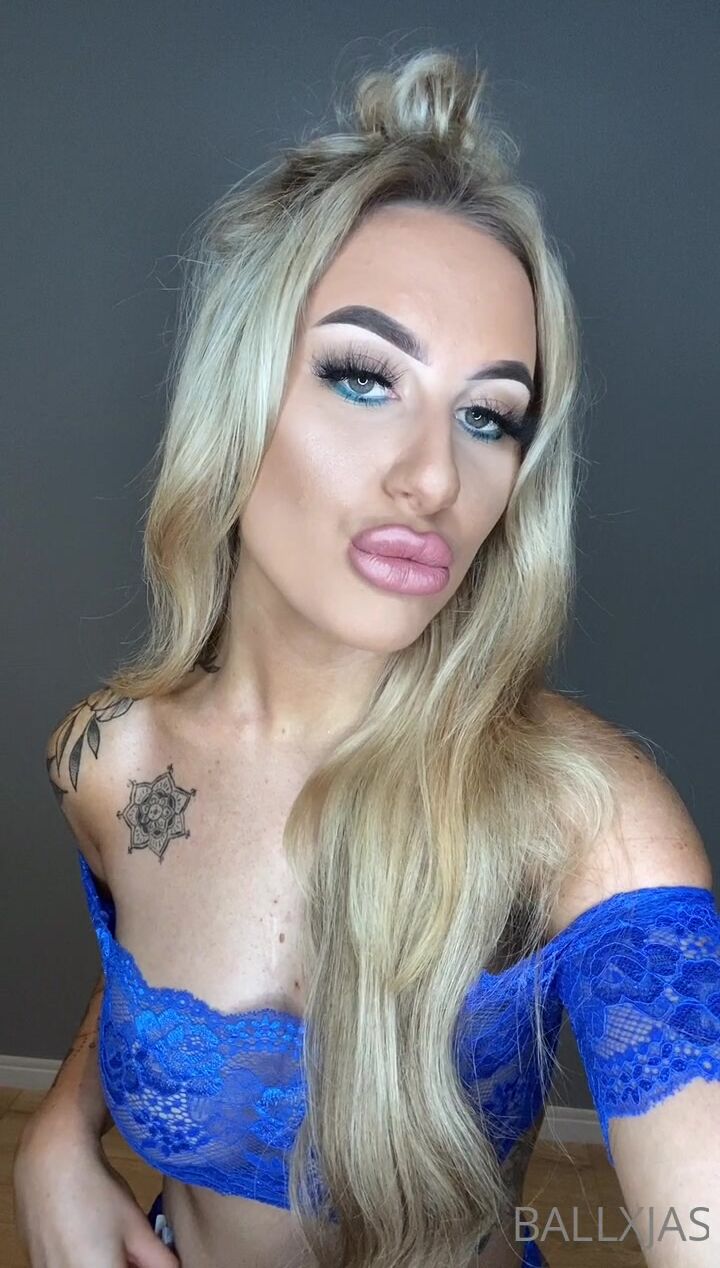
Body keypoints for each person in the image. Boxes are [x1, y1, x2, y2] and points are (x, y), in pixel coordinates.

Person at [13, 46, 720, 1268]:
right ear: (237, 397)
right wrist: (60, 1132)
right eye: (361, 375)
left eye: (489, 414)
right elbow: (139, 952)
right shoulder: (108, 756)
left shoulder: (582, 813)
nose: (435, 477)